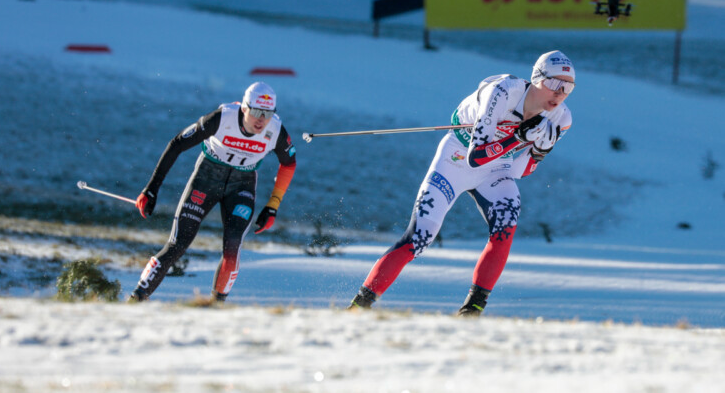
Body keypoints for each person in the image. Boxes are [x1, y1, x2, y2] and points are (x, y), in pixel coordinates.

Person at [348, 51, 575, 316]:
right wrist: (517, 139)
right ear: (537, 78)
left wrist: (540, 151)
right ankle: (358, 307)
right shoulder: (503, 92)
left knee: (506, 225)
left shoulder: (561, 119)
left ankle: (472, 309)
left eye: (568, 87)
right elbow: (475, 157)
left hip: (497, 167)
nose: (560, 93)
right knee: (419, 238)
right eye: (555, 84)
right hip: (457, 158)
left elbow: (519, 171)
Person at [129, 81, 296, 302]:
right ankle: (136, 299)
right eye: (256, 111)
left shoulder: (275, 130)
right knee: (177, 244)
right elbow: (178, 143)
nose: (261, 120)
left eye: (267, 113)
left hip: (242, 186)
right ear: (244, 108)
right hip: (206, 179)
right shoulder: (221, 118)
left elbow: (289, 164)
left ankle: (215, 308)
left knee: (232, 249)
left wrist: (273, 206)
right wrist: (151, 189)